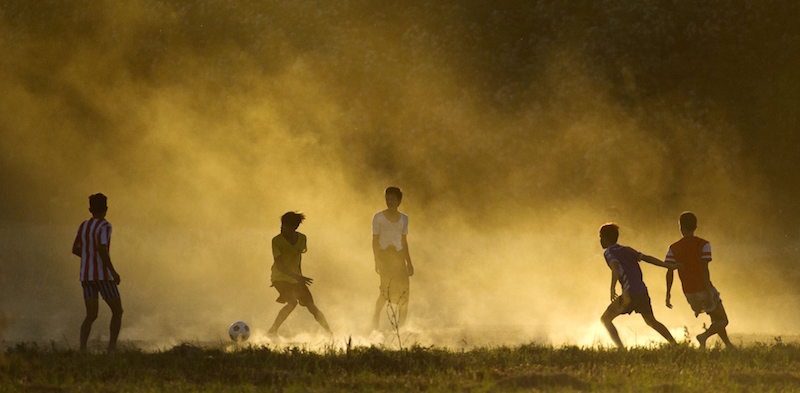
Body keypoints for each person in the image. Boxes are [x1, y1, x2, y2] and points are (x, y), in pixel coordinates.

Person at [599, 223, 679, 350]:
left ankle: (621, 349)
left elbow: (615, 267)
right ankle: (675, 344)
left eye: (600, 237)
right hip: (642, 292)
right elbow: (646, 258)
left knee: (605, 319)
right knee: (651, 321)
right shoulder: (627, 249)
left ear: (605, 238)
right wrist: (667, 266)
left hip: (629, 294)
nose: (600, 241)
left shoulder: (608, 252)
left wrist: (612, 288)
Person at [665, 212, 734, 349]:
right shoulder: (704, 244)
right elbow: (704, 270)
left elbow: (669, 271)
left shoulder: (673, 248)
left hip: (689, 292)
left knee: (715, 317)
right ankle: (703, 336)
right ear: (696, 226)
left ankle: (728, 345)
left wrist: (668, 293)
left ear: (680, 227)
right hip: (703, 288)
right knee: (723, 320)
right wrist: (708, 293)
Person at [71, 193, 123, 352]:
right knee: (117, 310)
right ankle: (112, 347)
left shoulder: (83, 225)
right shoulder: (105, 226)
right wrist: (113, 272)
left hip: (86, 276)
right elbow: (102, 248)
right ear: (106, 209)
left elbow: (75, 249)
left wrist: (88, 257)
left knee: (91, 315)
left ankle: (82, 348)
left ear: (90, 209)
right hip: (103, 276)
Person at [267, 212, 332, 336]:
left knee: (311, 306)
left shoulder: (302, 239)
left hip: (296, 278)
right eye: (281, 225)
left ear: (293, 228)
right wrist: (298, 277)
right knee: (292, 302)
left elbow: (297, 259)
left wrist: (299, 278)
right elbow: (279, 265)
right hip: (279, 277)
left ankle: (329, 332)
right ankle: (272, 331)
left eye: (285, 226)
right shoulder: (276, 241)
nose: (281, 228)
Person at [371, 186, 414, 330]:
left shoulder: (404, 218)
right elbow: (375, 240)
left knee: (404, 292)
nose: (389, 201)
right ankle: (376, 318)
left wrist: (409, 262)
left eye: (393, 199)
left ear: (399, 201)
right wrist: (377, 260)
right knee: (385, 291)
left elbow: (404, 241)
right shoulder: (378, 217)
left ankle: (401, 328)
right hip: (385, 257)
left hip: (399, 257)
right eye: (387, 199)